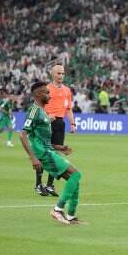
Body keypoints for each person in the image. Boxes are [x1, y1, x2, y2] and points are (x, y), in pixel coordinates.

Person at [20, 82, 84, 225]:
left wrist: (59, 147)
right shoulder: (33, 110)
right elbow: (23, 135)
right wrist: (33, 158)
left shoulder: (43, 112)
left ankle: (71, 216)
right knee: (76, 174)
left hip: (48, 150)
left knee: (74, 180)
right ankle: (57, 209)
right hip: (43, 154)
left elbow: (41, 139)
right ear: (38, 94)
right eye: (46, 92)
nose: (49, 95)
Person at [36, 65, 76, 197]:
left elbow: (69, 109)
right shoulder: (46, 89)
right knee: (43, 153)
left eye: (63, 73)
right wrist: (46, 118)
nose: (61, 76)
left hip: (59, 123)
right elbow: (38, 107)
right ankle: (38, 185)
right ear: (53, 74)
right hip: (46, 124)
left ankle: (49, 185)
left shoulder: (67, 91)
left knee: (56, 154)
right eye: (58, 73)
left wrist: (72, 123)